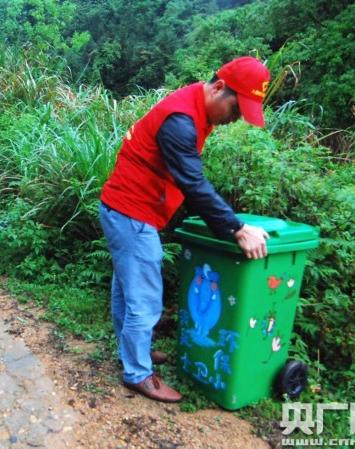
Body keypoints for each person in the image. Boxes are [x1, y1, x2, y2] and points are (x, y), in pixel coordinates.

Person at [99, 56, 271, 403]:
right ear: (220, 88)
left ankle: (132, 352)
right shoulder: (181, 120)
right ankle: (138, 372)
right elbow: (193, 184)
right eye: (237, 111)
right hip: (132, 213)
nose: (235, 119)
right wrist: (236, 228)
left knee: (126, 291)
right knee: (144, 299)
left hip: (125, 208)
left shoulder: (195, 107)